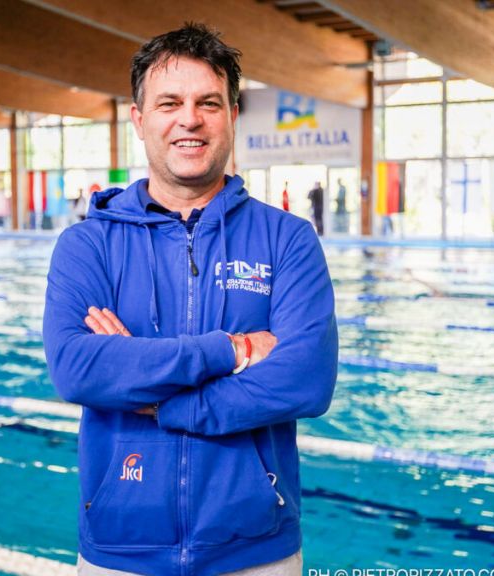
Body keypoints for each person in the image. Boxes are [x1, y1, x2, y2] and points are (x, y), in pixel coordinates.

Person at [43, 23, 337, 576]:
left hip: (257, 552)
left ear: (231, 115)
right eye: (169, 103)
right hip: (119, 553)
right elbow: (78, 369)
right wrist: (230, 350)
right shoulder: (88, 244)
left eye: (209, 102)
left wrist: (160, 400)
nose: (190, 119)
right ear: (139, 119)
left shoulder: (287, 239)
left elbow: (306, 379)